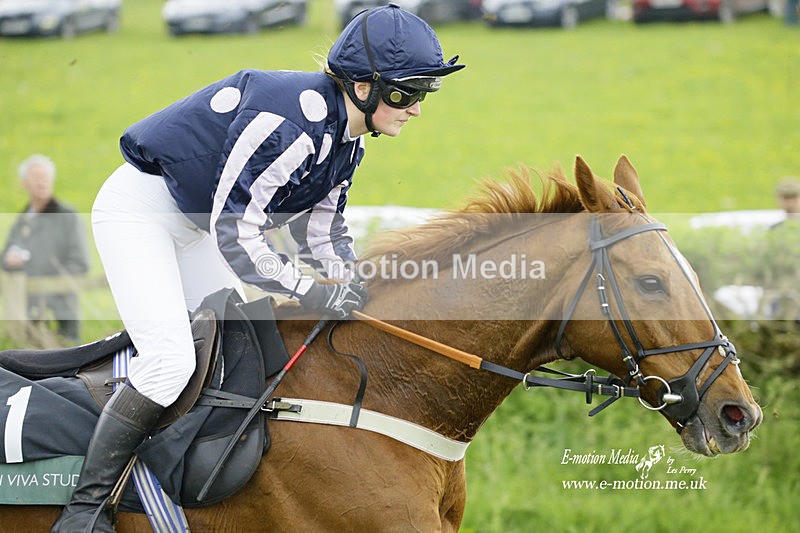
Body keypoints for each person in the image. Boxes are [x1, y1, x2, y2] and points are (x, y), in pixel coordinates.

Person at [52, 5, 464, 531]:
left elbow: (322, 231)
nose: (417, 108)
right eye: (408, 93)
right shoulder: (288, 123)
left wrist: (353, 284)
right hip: (142, 215)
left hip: (193, 227)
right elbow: (236, 235)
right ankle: (84, 509)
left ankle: (188, 481)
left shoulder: (347, 138)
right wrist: (309, 291)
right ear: (364, 87)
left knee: (241, 343)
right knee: (171, 361)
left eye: (424, 94)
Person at [1, 154, 89, 342]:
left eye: (45, 178)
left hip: (61, 315)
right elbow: (5, 258)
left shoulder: (68, 217)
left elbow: (81, 263)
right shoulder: (21, 220)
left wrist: (48, 289)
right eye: (36, 178)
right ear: (24, 183)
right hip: (28, 317)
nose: (41, 183)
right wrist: (9, 261)